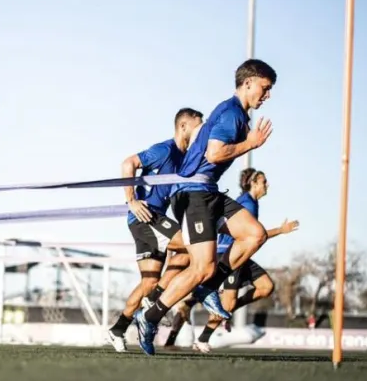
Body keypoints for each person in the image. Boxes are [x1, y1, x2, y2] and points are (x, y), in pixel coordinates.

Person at [133, 59, 276, 356]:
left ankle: (205, 286)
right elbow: (215, 151)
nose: (268, 95)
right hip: (192, 193)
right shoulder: (232, 114)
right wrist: (250, 144)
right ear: (248, 82)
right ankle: (149, 317)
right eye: (265, 87)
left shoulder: (236, 115)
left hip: (207, 190)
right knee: (201, 267)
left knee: (254, 235)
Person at [105, 108, 202, 352]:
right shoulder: (165, 149)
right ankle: (153, 301)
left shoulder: (184, 157)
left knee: (148, 283)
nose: (201, 130)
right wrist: (132, 201)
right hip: (146, 217)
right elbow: (129, 163)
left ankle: (118, 328)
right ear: (183, 127)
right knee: (194, 248)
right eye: (197, 125)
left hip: (156, 219)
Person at [191, 168, 299, 353]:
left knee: (266, 286)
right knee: (228, 303)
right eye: (264, 181)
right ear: (253, 183)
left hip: (243, 255)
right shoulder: (247, 204)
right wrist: (281, 230)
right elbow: (256, 235)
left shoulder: (251, 203)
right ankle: (202, 339)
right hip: (232, 254)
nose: (267, 185)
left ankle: (224, 311)